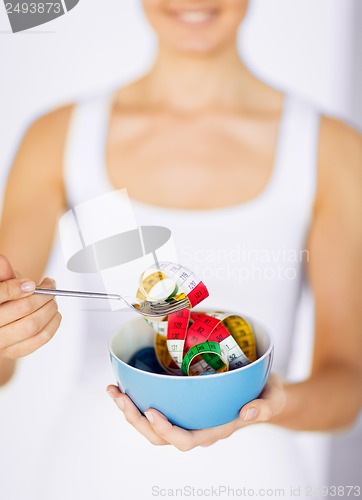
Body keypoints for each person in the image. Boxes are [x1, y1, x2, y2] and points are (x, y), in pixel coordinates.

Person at [0, 1, 361, 498]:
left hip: (260, 480)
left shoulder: (334, 150)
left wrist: (268, 403)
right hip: (94, 477)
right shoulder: (56, 138)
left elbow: (347, 389)